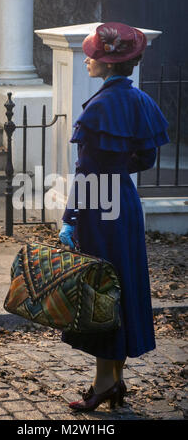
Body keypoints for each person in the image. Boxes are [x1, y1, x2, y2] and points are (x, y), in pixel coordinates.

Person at [59, 22, 170, 411]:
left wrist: (70, 217)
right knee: (120, 285)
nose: (88, 60)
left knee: (101, 291)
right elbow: (147, 157)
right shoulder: (140, 102)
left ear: (108, 65)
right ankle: (112, 381)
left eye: (95, 56)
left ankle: (105, 383)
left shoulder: (101, 106)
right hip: (124, 200)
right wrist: (119, 171)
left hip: (99, 207)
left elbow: (87, 174)